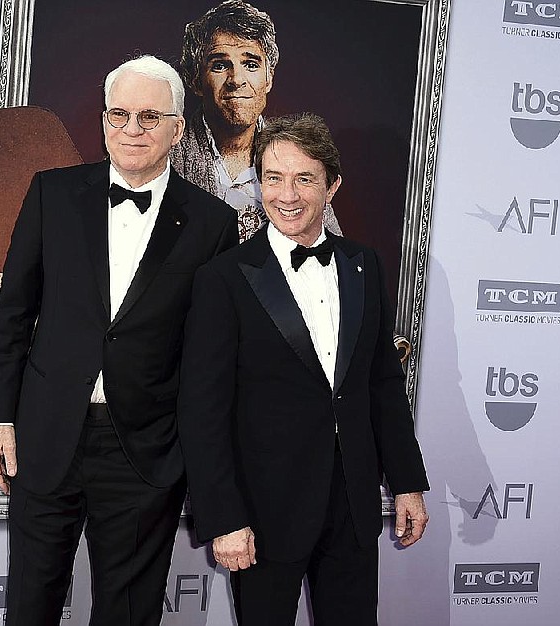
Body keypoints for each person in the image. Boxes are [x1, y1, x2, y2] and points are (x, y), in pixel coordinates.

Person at [0, 55, 238, 626]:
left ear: (177, 127)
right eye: (119, 114)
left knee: (128, 614)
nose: (132, 129)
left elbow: (209, 357)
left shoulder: (212, 223)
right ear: (102, 121)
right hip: (47, 437)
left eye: (150, 117)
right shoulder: (52, 193)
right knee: (29, 605)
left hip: (144, 451)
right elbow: (15, 316)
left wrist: (191, 456)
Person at [177, 113, 429, 625]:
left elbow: (382, 383)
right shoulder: (224, 278)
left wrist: (406, 482)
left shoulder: (364, 264)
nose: (285, 195)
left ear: (332, 185)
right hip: (264, 512)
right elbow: (202, 410)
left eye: (304, 179)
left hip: (352, 507)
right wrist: (223, 517)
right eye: (273, 178)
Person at [171, 0, 341, 242]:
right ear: (196, 80)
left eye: (250, 64)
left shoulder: (297, 154)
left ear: (268, 79)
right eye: (219, 65)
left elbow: (329, 246)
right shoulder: (166, 154)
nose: (236, 79)